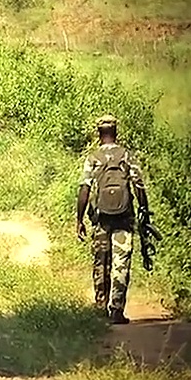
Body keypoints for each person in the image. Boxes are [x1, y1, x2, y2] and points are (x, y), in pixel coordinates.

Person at [75, 114, 148, 324]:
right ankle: (116, 309)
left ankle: (100, 307)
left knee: (101, 261)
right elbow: (139, 185)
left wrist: (79, 219)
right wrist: (144, 210)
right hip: (124, 217)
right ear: (116, 132)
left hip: (101, 218)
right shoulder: (126, 155)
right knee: (121, 261)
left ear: (99, 133)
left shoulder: (93, 158)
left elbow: (84, 189)